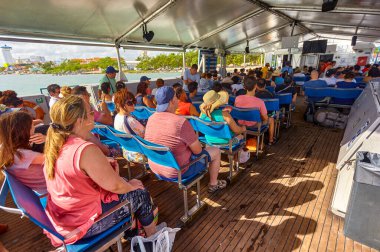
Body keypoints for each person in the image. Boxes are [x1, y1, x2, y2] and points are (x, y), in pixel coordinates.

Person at [43, 96, 159, 246]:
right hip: (85, 225)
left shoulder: (55, 145)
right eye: (91, 112)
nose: (94, 114)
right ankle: (153, 238)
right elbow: (115, 186)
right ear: (80, 121)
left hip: (66, 218)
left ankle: (134, 232)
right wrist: (132, 185)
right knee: (140, 193)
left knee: (129, 185)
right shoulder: (85, 149)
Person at [145, 86, 227, 193]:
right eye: (175, 97)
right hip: (177, 172)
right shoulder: (180, 122)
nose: (178, 100)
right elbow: (198, 151)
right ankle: (213, 184)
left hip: (156, 167)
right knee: (215, 151)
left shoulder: (151, 118)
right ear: (171, 101)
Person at [0, 112, 47, 194]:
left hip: (37, 185)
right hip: (49, 187)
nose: (34, 127)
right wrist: (47, 139)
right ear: (25, 130)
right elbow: (58, 157)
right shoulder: (23, 155)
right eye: (32, 125)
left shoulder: (5, 148)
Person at [235, 77, 275, 145]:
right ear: (255, 86)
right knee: (271, 119)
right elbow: (265, 118)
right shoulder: (260, 102)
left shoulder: (237, 98)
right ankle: (271, 140)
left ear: (244, 87)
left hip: (240, 124)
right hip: (254, 126)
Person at [113, 90, 145, 163]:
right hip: (138, 153)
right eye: (129, 103)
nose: (133, 105)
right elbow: (146, 135)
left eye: (134, 101)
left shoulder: (117, 117)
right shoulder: (130, 120)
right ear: (120, 104)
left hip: (126, 150)